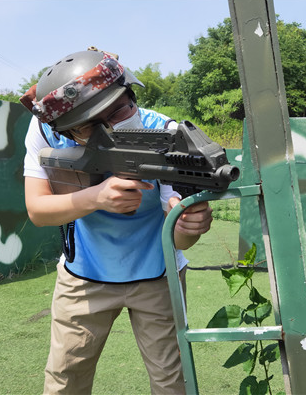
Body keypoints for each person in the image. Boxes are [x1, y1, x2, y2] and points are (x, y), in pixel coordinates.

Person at [20, 47, 213, 394]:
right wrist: (94, 198)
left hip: (158, 271)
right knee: (65, 381)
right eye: (93, 123)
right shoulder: (46, 132)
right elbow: (37, 209)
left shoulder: (165, 132)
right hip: (85, 275)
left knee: (172, 381)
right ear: (67, 130)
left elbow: (180, 240)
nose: (115, 124)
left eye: (121, 107)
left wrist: (186, 226)